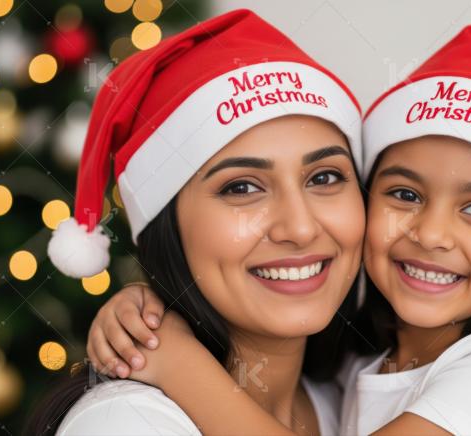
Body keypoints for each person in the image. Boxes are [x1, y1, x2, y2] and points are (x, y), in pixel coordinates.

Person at [90, 25, 471, 435]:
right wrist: (152, 307)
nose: (430, 235)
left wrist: (178, 361)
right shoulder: (357, 367)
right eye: (404, 195)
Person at [25, 9, 366, 435]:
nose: (299, 228)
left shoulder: (353, 400)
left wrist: (182, 365)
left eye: (325, 177)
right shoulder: (126, 423)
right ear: (167, 226)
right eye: (241, 188)